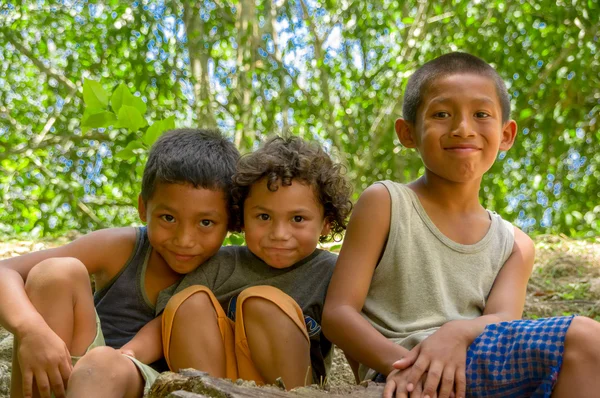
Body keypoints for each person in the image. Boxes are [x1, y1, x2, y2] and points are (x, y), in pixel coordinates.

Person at [322, 52, 600, 398]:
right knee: (587, 339)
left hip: (483, 363)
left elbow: (502, 320)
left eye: (481, 114)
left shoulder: (515, 245)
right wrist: (414, 369)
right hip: (400, 369)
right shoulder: (386, 203)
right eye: (441, 114)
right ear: (407, 133)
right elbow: (337, 314)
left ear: (506, 135)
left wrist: (456, 333)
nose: (463, 128)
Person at [0, 128, 240, 398]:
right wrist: (31, 330)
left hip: (157, 387)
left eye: (205, 223)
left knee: (102, 365)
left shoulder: (231, 269)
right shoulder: (122, 248)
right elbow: (4, 270)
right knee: (55, 273)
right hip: (73, 373)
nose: (184, 240)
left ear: (231, 222)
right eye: (168, 218)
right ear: (142, 208)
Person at [128, 136, 352, 390]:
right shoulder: (222, 264)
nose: (279, 233)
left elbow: (355, 332)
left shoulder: (332, 273)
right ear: (242, 218)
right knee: (187, 302)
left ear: (326, 223)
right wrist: (128, 355)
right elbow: (164, 324)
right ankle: (207, 395)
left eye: (298, 218)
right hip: (221, 381)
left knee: (262, 303)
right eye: (264, 216)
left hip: (289, 385)